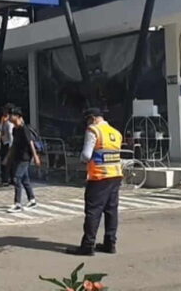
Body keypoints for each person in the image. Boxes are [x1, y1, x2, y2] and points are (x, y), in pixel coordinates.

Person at [67, 108, 123, 256]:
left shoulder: (93, 130)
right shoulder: (116, 133)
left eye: (87, 120)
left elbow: (86, 155)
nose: (86, 124)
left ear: (92, 118)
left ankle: (88, 245)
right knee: (111, 211)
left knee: (93, 211)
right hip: (115, 175)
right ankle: (110, 243)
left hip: (99, 177)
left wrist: (81, 161)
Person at [6, 107, 40, 212]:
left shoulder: (24, 128)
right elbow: (14, 145)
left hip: (25, 158)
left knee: (17, 178)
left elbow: (30, 143)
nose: (10, 117)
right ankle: (32, 200)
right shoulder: (14, 129)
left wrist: (35, 156)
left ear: (18, 117)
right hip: (17, 157)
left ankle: (17, 203)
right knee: (25, 180)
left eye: (12, 115)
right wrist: (8, 157)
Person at [0, 103, 15, 188]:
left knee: (6, 162)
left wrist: (11, 145)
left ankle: (6, 180)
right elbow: (0, 130)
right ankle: (10, 179)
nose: (3, 111)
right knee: (7, 162)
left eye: (5, 109)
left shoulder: (9, 121)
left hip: (8, 144)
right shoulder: (4, 119)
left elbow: (10, 134)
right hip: (4, 142)